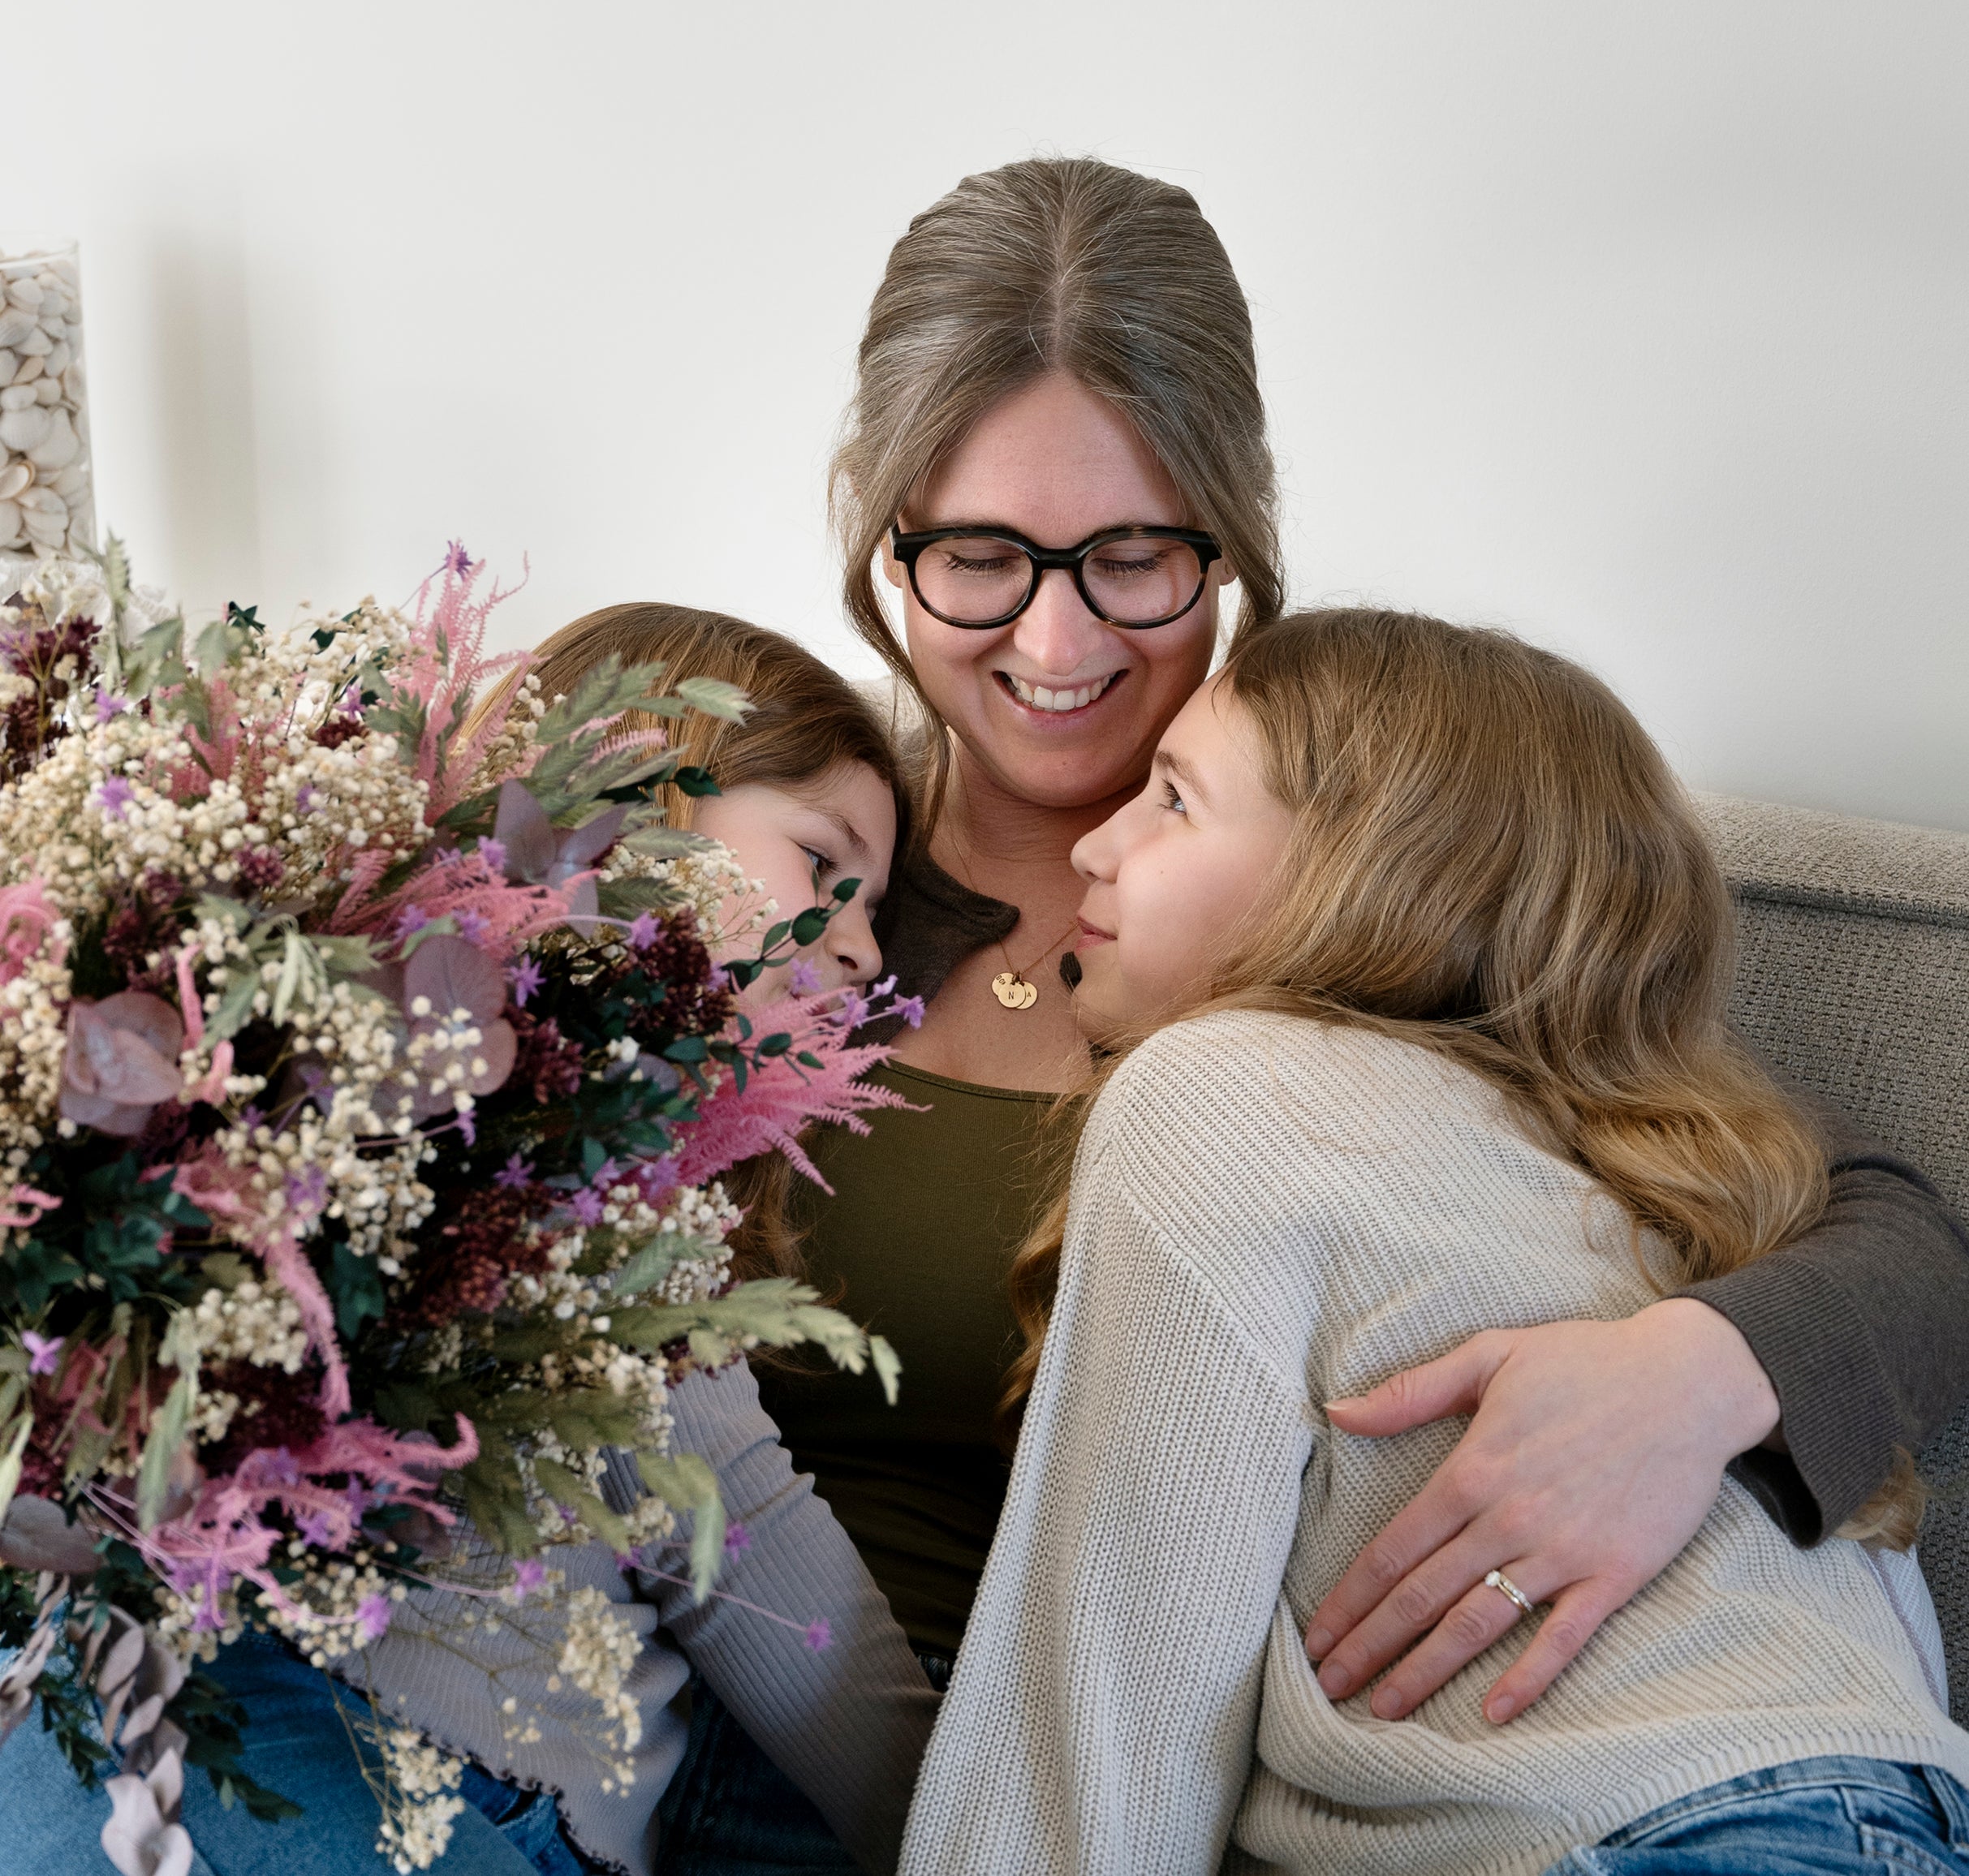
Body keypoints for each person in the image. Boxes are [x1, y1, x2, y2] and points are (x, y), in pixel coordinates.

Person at [666, 154, 1969, 1868]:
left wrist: (1698, 1369)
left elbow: (1832, 1202)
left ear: (1229, 538)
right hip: (752, 1752)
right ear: (882, 539)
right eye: (979, 555)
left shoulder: (1361, 904)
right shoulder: (794, 893)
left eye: (1131, 555)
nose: (1054, 636)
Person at [900, 608, 1968, 1874]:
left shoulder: (1220, 1081)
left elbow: (1117, 1688)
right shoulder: (1674, 1169)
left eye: (1174, 800)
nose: (1094, 843)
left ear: (1370, 877)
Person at [0, 606, 939, 1876]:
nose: (862, 944)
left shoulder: (613, 1194)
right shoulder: (391, 1076)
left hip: (439, 1790)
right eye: (824, 865)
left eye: (870, 905)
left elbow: (751, 1551)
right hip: (197, 1694)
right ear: (648, 790)